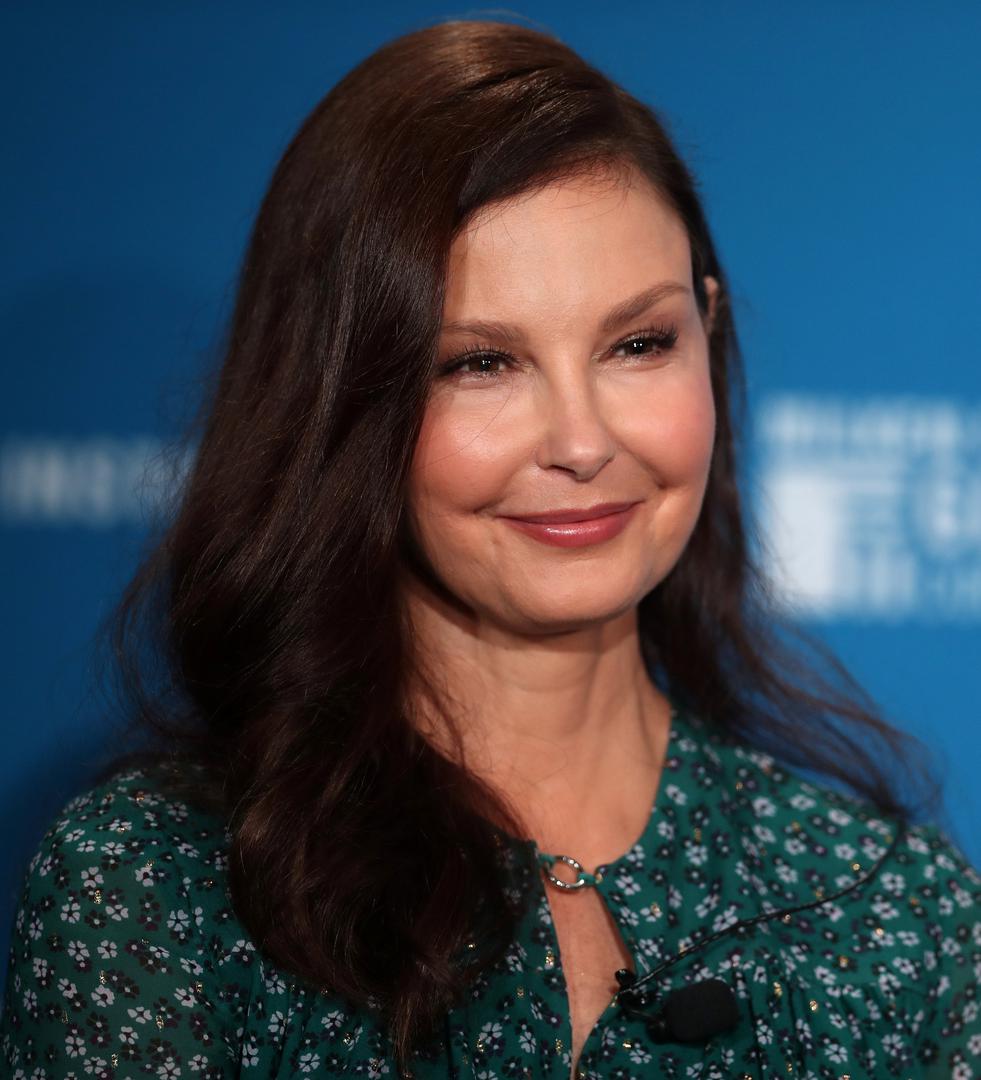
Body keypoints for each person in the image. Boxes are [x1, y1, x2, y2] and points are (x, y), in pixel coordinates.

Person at [1, 17, 978, 1080]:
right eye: (478, 363)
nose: (581, 443)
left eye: (638, 343)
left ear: (710, 329)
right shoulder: (163, 884)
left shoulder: (895, 916)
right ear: (341, 397)